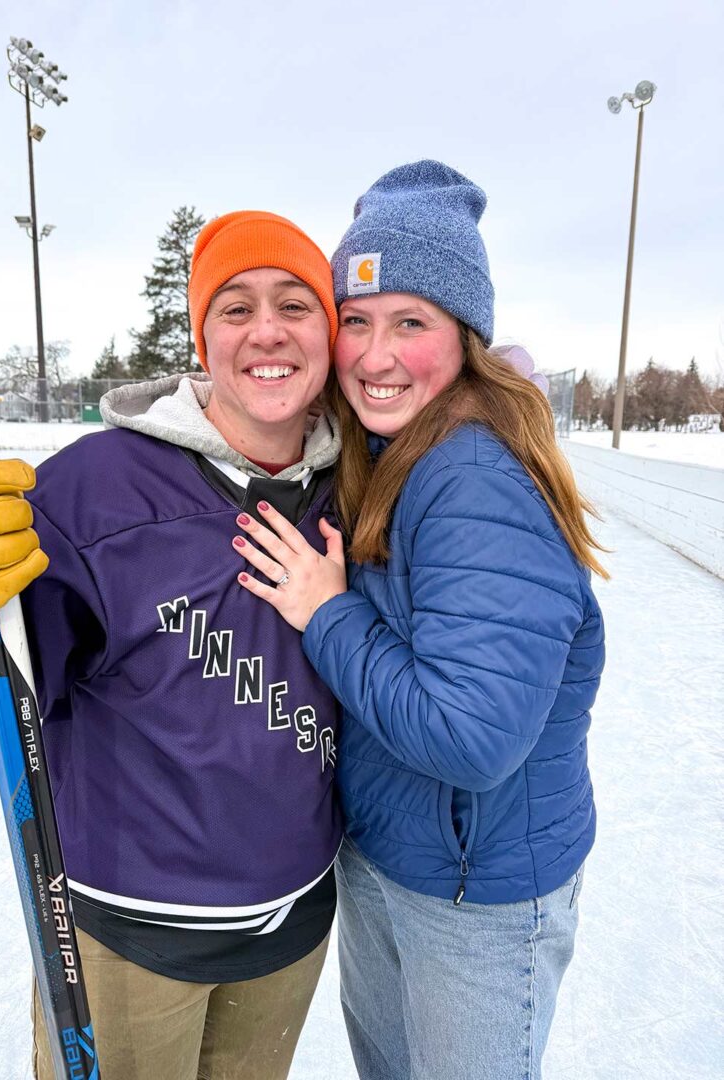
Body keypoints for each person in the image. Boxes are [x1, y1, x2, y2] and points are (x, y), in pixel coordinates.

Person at [0, 210, 344, 1080]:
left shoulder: (362, 485)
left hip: (293, 926)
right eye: (235, 307)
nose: (268, 330)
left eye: (296, 304)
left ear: (330, 332)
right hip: (127, 940)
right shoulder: (93, 489)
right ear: (202, 338)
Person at [230, 160, 607, 1079]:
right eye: (354, 321)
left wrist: (329, 613)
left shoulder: (474, 474)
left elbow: (473, 735)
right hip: (395, 858)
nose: (374, 354)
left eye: (411, 323)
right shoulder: (392, 449)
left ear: (466, 335)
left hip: (474, 898)